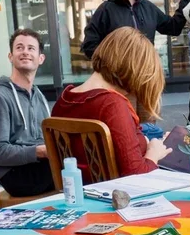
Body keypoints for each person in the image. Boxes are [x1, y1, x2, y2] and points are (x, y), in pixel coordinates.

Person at [52, 27, 172, 181]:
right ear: (134, 70)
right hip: (115, 195)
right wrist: (153, 155)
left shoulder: (63, 100)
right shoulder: (112, 105)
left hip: (78, 194)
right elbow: (137, 175)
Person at [0, 29, 55, 196]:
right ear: (11, 57)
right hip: (16, 174)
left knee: (79, 163)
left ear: (41, 58)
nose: (25, 52)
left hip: (37, 167)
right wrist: (40, 151)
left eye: (31, 48)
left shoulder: (38, 96)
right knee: (79, 169)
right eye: (19, 48)